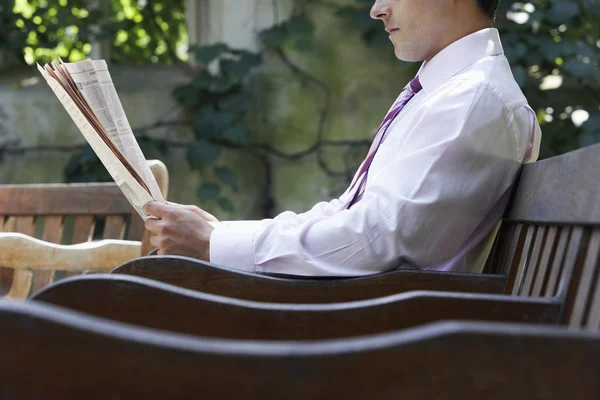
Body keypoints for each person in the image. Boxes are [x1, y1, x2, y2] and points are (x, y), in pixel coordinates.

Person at [143, 0, 541, 276]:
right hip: (367, 316)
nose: (377, 10)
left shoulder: (473, 98)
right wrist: (222, 236)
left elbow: (377, 241)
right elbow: (352, 215)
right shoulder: (450, 92)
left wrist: (214, 244)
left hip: (382, 335)